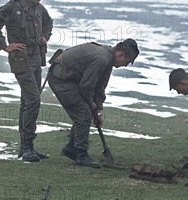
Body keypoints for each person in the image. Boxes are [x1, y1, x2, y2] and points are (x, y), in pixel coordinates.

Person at [0, 0, 53, 162]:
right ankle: (27, 147)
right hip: (20, 59)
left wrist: (45, 37)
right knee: (33, 100)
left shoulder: (40, 9)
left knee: (27, 102)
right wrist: (5, 46)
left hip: (36, 57)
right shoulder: (12, 6)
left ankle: (26, 148)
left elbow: (49, 23)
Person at [48, 39, 140, 168]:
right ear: (120, 55)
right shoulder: (101, 58)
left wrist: (98, 110)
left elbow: (100, 87)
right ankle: (81, 155)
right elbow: (87, 86)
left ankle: (72, 148)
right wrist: (92, 105)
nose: (126, 65)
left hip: (71, 79)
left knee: (85, 113)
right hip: (60, 78)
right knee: (83, 114)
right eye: (127, 62)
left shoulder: (108, 60)